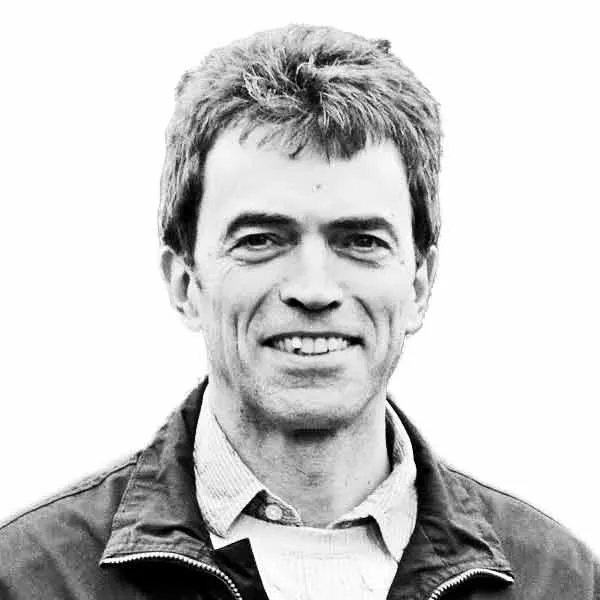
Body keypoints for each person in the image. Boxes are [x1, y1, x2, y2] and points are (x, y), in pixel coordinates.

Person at [0, 23, 597, 600]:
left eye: (360, 241)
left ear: (419, 285)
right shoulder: (30, 580)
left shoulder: (561, 582)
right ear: (184, 284)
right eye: (261, 239)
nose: (314, 289)